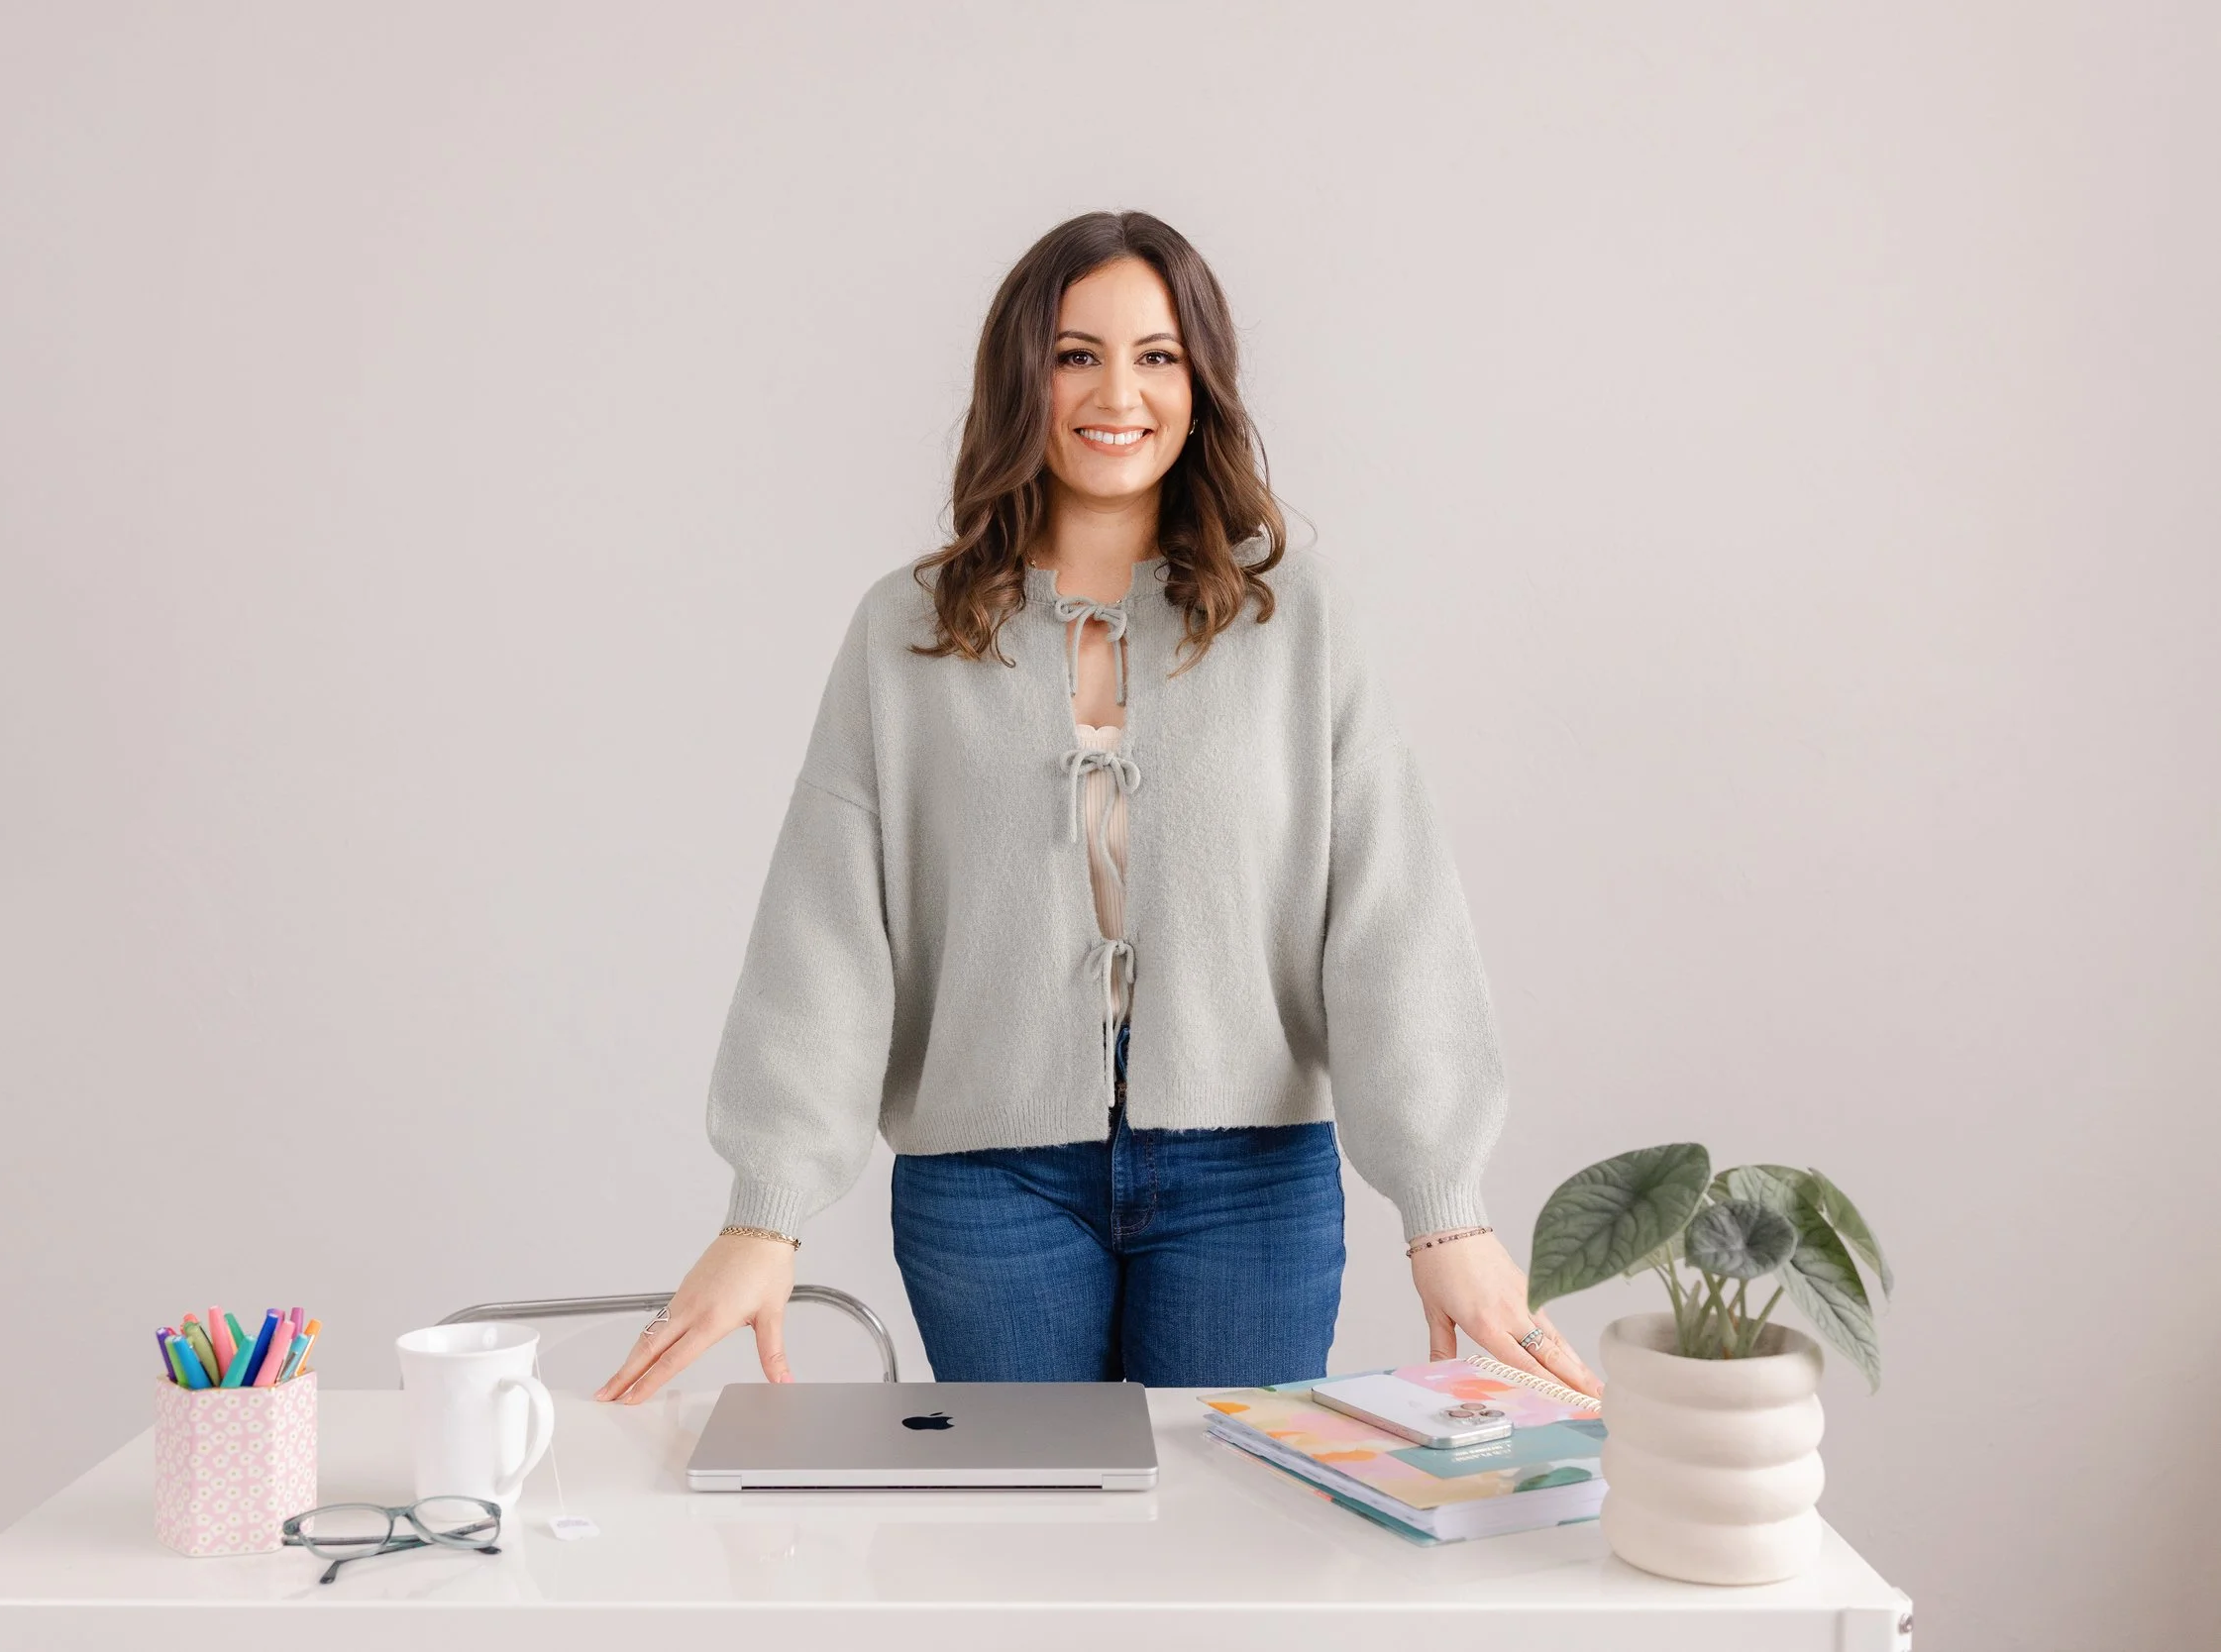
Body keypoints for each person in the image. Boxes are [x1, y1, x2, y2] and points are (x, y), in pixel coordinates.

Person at [596, 209, 1601, 1403]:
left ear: (1201, 384)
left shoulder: (1295, 621)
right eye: (1076, 353)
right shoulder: (904, 632)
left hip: (1251, 1177)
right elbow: (826, 929)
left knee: (1232, 1552)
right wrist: (765, 1211)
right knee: (1030, 1558)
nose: (1115, 391)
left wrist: (1444, 1212)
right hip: (990, 1187)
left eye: (1157, 355)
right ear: (1022, 377)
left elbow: (1390, 912)